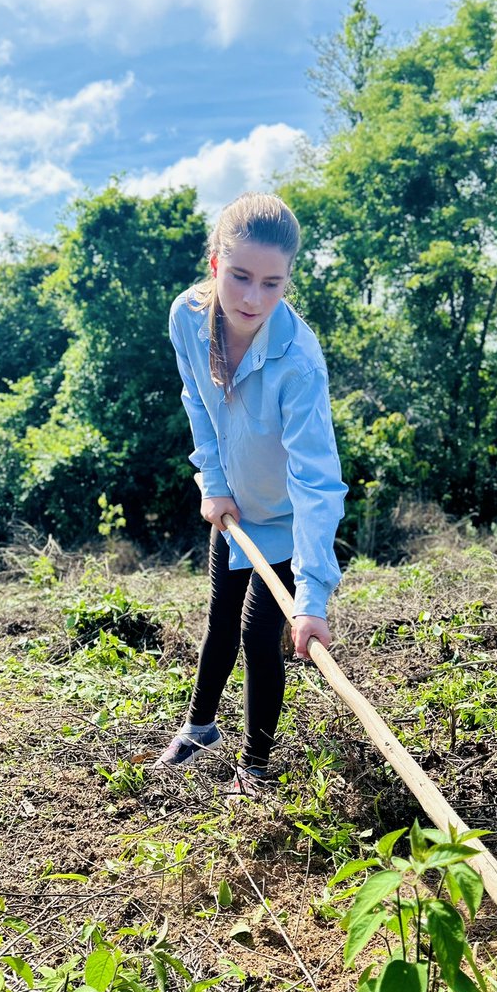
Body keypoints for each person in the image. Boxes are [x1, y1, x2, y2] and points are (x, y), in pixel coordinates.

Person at [153, 192, 347, 795]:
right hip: (234, 504)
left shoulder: (299, 363)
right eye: (239, 277)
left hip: (287, 519)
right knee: (220, 618)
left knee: (259, 636)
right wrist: (212, 484)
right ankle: (200, 727)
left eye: (272, 284)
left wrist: (312, 598)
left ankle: (256, 767)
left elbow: (317, 482)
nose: (252, 299)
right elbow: (196, 400)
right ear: (215, 264)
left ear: (288, 281)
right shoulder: (188, 316)